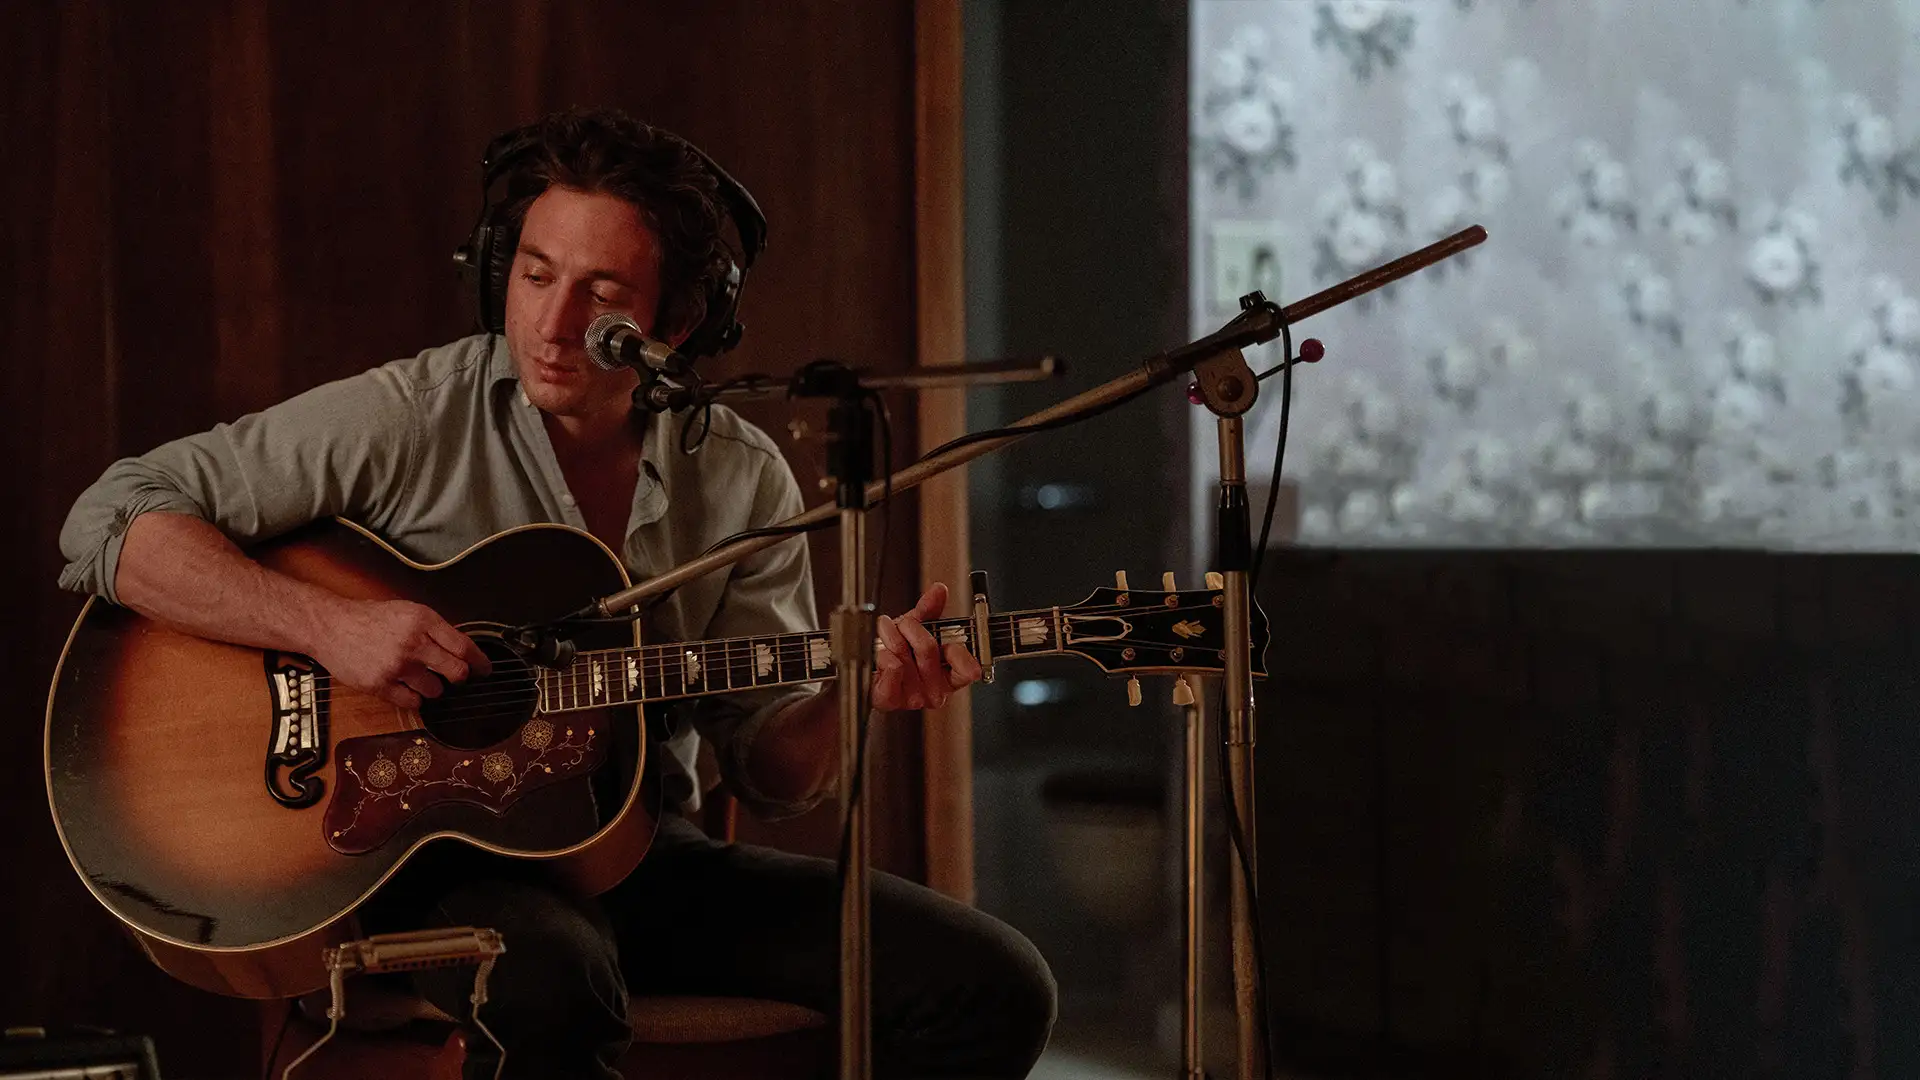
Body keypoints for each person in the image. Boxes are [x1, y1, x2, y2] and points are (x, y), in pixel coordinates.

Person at [56, 106, 1056, 1079]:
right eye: (534, 274)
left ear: (681, 320)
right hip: (422, 859)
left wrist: (851, 694)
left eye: (601, 292)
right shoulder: (412, 416)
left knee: (992, 984)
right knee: (552, 981)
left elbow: (770, 774)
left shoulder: (740, 476)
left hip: (635, 855)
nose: (552, 321)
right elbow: (111, 520)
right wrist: (329, 627)